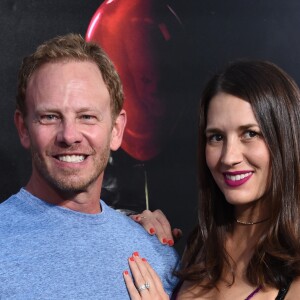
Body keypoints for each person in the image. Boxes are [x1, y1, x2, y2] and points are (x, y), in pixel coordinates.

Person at [0, 33, 179, 299]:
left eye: (87, 116)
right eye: (50, 117)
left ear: (116, 130)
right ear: (23, 128)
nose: (69, 135)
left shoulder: (158, 253)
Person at [124, 60, 300, 299]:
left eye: (250, 134)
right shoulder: (198, 248)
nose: (229, 157)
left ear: (285, 139)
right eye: (216, 137)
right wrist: (136, 234)